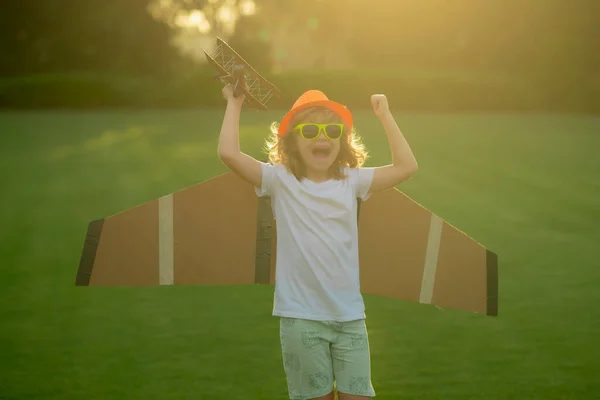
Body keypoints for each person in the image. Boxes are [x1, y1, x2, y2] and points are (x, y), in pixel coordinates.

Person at [218, 85, 418, 400]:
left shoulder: (352, 180)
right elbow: (229, 154)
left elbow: (407, 167)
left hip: (350, 319)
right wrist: (235, 102)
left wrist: (385, 115)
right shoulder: (279, 180)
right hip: (302, 320)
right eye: (309, 130)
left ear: (342, 140)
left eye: (332, 130)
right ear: (293, 141)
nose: (322, 137)